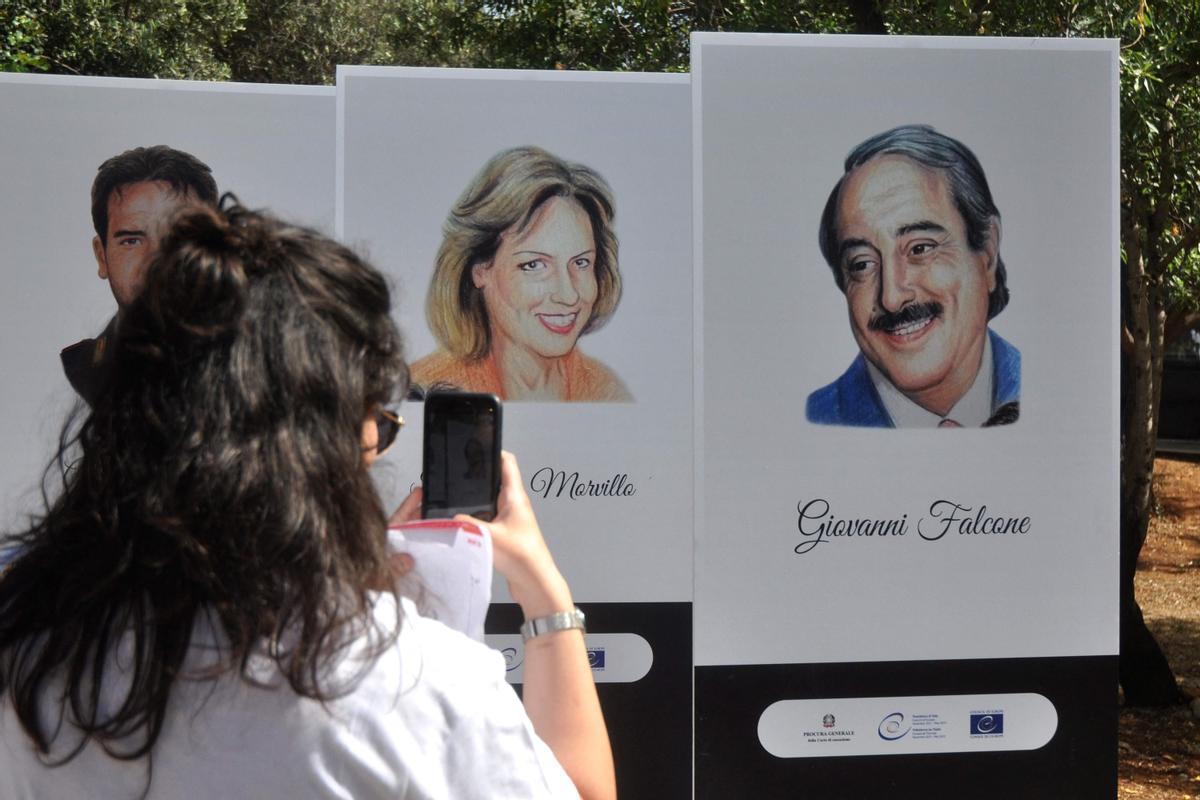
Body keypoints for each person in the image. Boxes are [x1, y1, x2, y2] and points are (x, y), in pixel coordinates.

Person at [0, 199, 614, 799]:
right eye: (376, 425)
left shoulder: (31, 656)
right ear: (324, 449)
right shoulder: (419, 686)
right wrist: (545, 594)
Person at [807, 125, 1021, 428]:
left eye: (919, 248)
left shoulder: (1053, 391)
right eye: (862, 264)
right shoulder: (818, 420)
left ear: (987, 253)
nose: (892, 298)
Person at [410, 146, 631, 402]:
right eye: (534, 265)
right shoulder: (423, 390)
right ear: (481, 269)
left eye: (581, 262)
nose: (568, 295)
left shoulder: (608, 392)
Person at [60, 145, 218, 406]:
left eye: (178, 238)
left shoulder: (259, 370)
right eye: (131, 241)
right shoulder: (82, 371)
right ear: (102, 257)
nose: (155, 261)